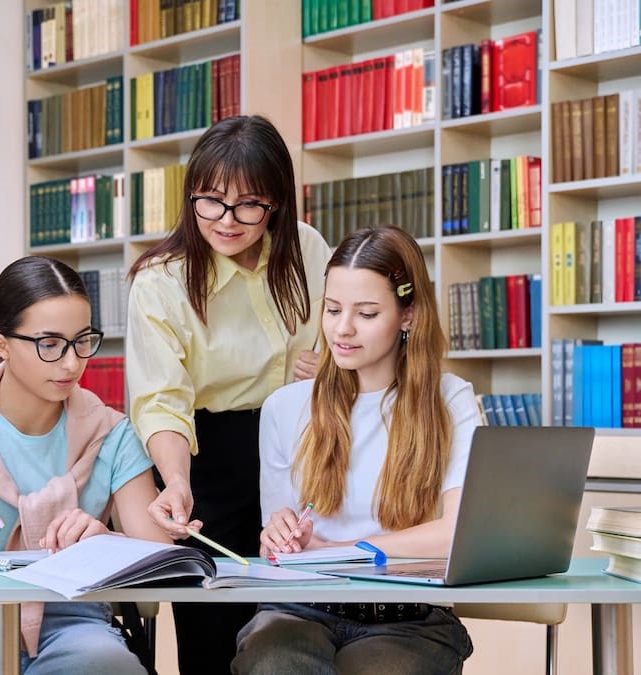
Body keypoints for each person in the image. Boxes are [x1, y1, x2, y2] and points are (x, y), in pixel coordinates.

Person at [0, 255, 170, 675]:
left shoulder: (113, 434)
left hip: (79, 620)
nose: (72, 363)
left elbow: (161, 561)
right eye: (49, 344)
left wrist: (106, 543)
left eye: (82, 341)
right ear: (2, 344)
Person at [126, 114, 331, 673]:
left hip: (299, 447)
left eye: (249, 205)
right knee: (212, 632)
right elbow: (161, 400)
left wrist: (326, 369)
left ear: (277, 203)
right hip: (205, 457)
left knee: (296, 622)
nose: (227, 220)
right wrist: (176, 484)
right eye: (210, 201)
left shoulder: (308, 250)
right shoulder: (161, 280)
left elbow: (348, 336)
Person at [233, 225, 477, 674]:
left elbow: (456, 535)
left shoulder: (450, 401)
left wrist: (336, 548)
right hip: (302, 609)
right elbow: (281, 543)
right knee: (274, 663)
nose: (342, 329)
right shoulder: (284, 409)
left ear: (408, 315)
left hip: (409, 619)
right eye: (332, 309)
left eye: (366, 313)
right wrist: (282, 536)